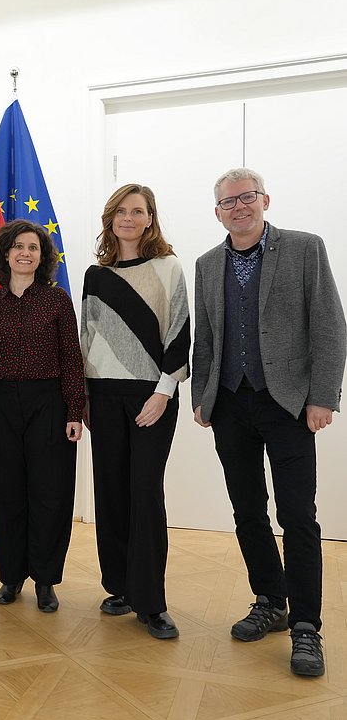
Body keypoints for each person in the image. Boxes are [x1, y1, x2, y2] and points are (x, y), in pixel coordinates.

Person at [192, 167, 346, 676]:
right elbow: (208, 338)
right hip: (231, 404)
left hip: (288, 404)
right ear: (217, 212)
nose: (239, 206)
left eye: (247, 197)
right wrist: (203, 395)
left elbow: (329, 326)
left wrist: (322, 397)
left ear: (265, 200)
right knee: (247, 512)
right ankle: (270, 601)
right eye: (228, 201)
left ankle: (306, 627)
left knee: (298, 516)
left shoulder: (305, 248)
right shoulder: (208, 263)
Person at [81, 183, 190, 639]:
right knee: (111, 492)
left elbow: (180, 334)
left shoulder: (169, 268)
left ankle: (152, 603)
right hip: (103, 397)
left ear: (150, 218)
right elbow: (87, 340)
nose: (129, 218)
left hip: (153, 396)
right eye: (121, 211)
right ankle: (121, 587)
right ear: (111, 218)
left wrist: (163, 392)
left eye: (138, 211)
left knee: (145, 493)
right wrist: (83, 398)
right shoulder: (96, 275)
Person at [0, 220, 84, 613]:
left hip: (48, 403)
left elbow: (71, 357)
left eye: (33, 248)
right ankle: (11, 576)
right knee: (6, 494)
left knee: (50, 494)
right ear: (5, 254)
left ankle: (46, 580)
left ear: (42, 256)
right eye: (18, 246)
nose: (25, 253)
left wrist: (74, 409)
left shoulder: (56, 301)